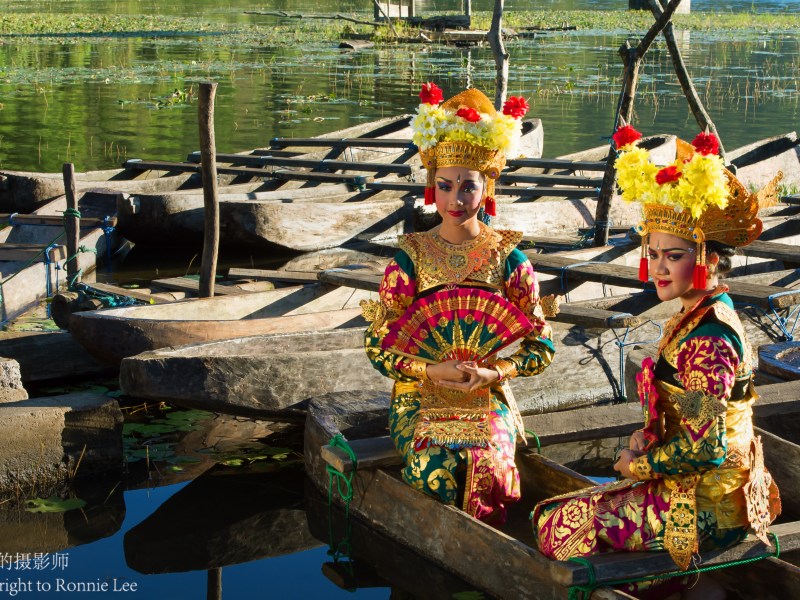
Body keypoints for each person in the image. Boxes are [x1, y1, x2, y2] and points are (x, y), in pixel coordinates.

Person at [531, 125, 783, 597]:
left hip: (706, 503)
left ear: (705, 256)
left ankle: (675, 580)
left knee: (555, 527)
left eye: (673, 255)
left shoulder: (709, 337)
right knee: (559, 510)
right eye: (653, 254)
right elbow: (691, 418)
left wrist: (635, 469)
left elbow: (704, 445)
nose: (659, 268)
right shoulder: (697, 314)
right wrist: (644, 442)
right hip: (697, 483)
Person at [361, 83, 555, 525]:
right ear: (432, 186)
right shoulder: (409, 258)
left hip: (485, 391)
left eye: (468, 187)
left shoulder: (510, 259)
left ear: (487, 187)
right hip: (418, 395)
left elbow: (541, 345)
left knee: (496, 472)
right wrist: (430, 370)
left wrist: (495, 371)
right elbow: (378, 346)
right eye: (445, 186)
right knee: (437, 471)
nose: (455, 199)